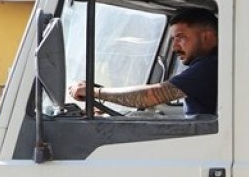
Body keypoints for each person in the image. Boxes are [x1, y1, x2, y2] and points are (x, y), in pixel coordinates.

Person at [68, 6, 219, 116]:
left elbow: (150, 96)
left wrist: (94, 92)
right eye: (173, 40)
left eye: (180, 38)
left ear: (207, 37)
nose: (174, 47)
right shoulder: (210, 64)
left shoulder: (208, 67)